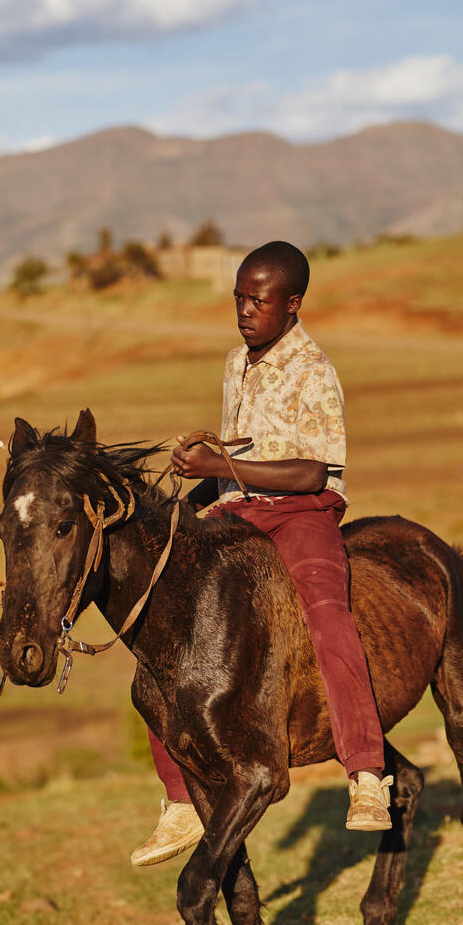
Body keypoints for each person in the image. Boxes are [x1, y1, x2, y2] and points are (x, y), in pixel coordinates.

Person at [131, 240, 392, 868]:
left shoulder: (314, 370)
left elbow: (309, 473)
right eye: (239, 299)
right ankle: (180, 800)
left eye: (259, 300)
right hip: (235, 508)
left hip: (303, 514)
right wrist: (191, 494)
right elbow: (240, 460)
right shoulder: (234, 364)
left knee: (328, 615)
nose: (245, 310)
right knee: (159, 614)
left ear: (293, 303)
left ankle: (365, 772)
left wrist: (220, 464)